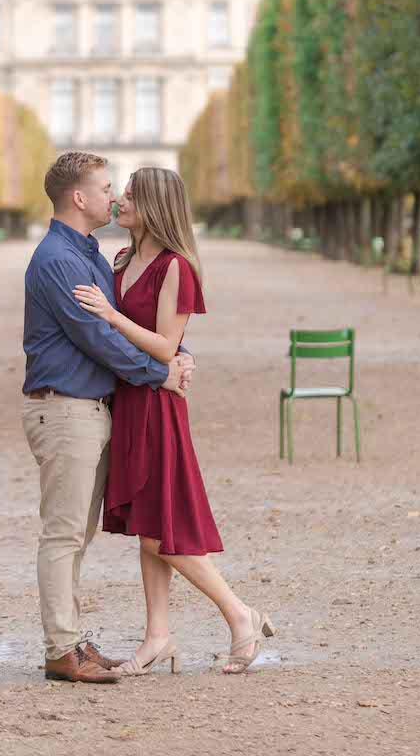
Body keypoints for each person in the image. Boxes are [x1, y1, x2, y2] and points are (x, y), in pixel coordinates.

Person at [73, 166, 276, 676]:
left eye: (130, 195)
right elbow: (158, 349)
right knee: (147, 527)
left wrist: (113, 316)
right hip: (130, 399)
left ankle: (239, 614)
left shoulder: (176, 267)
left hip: (157, 406)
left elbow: (163, 344)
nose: (118, 200)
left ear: (154, 205)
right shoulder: (121, 260)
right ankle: (158, 636)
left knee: (162, 531)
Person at [22, 151, 195, 685]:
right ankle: (60, 649)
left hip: (89, 409)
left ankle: (70, 639)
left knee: (77, 535)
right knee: (64, 535)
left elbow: (131, 322)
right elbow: (98, 337)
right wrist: (158, 374)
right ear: (78, 198)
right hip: (66, 408)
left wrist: (177, 353)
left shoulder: (91, 254)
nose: (114, 195)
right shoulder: (59, 260)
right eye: (104, 187)